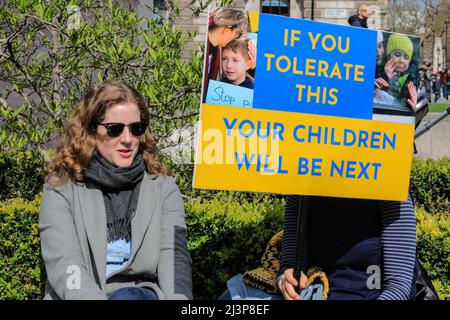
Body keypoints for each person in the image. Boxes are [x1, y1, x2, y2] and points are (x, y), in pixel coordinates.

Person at [39, 80, 192, 300]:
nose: (128, 139)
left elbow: (175, 257)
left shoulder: (163, 187)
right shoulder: (61, 187)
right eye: (115, 129)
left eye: (136, 128)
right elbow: (65, 264)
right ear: (90, 130)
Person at [277, 195, 418, 300]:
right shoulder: (301, 182)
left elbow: (398, 288)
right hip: (316, 292)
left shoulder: (391, 184)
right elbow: (291, 264)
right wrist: (286, 279)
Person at [202, 7, 256, 102]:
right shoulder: (209, 47)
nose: (237, 38)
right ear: (225, 31)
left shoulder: (217, 48)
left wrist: (253, 66)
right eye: (237, 33)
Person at [375, 33, 417, 112]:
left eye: (406, 57)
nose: (401, 60)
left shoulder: (411, 79)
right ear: (389, 56)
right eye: (397, 54)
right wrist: (385, 76)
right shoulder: (378, 72)